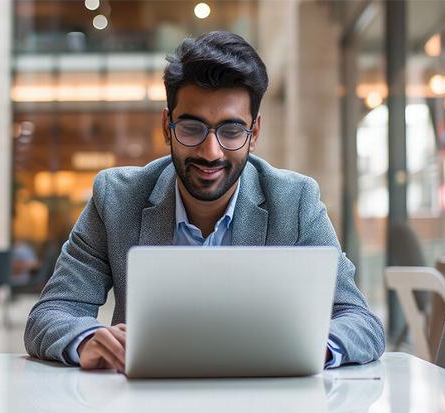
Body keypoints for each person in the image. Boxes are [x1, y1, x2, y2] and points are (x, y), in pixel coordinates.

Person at [24, 31, 385, 372]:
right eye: (192, 128)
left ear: (254, 133)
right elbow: (51, 313)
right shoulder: (116, 198)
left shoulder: (295, 201)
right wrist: (87, 338)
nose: (211, 152)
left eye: (231, 130)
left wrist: (312, 348)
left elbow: (360, 322)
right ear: (167, 126)